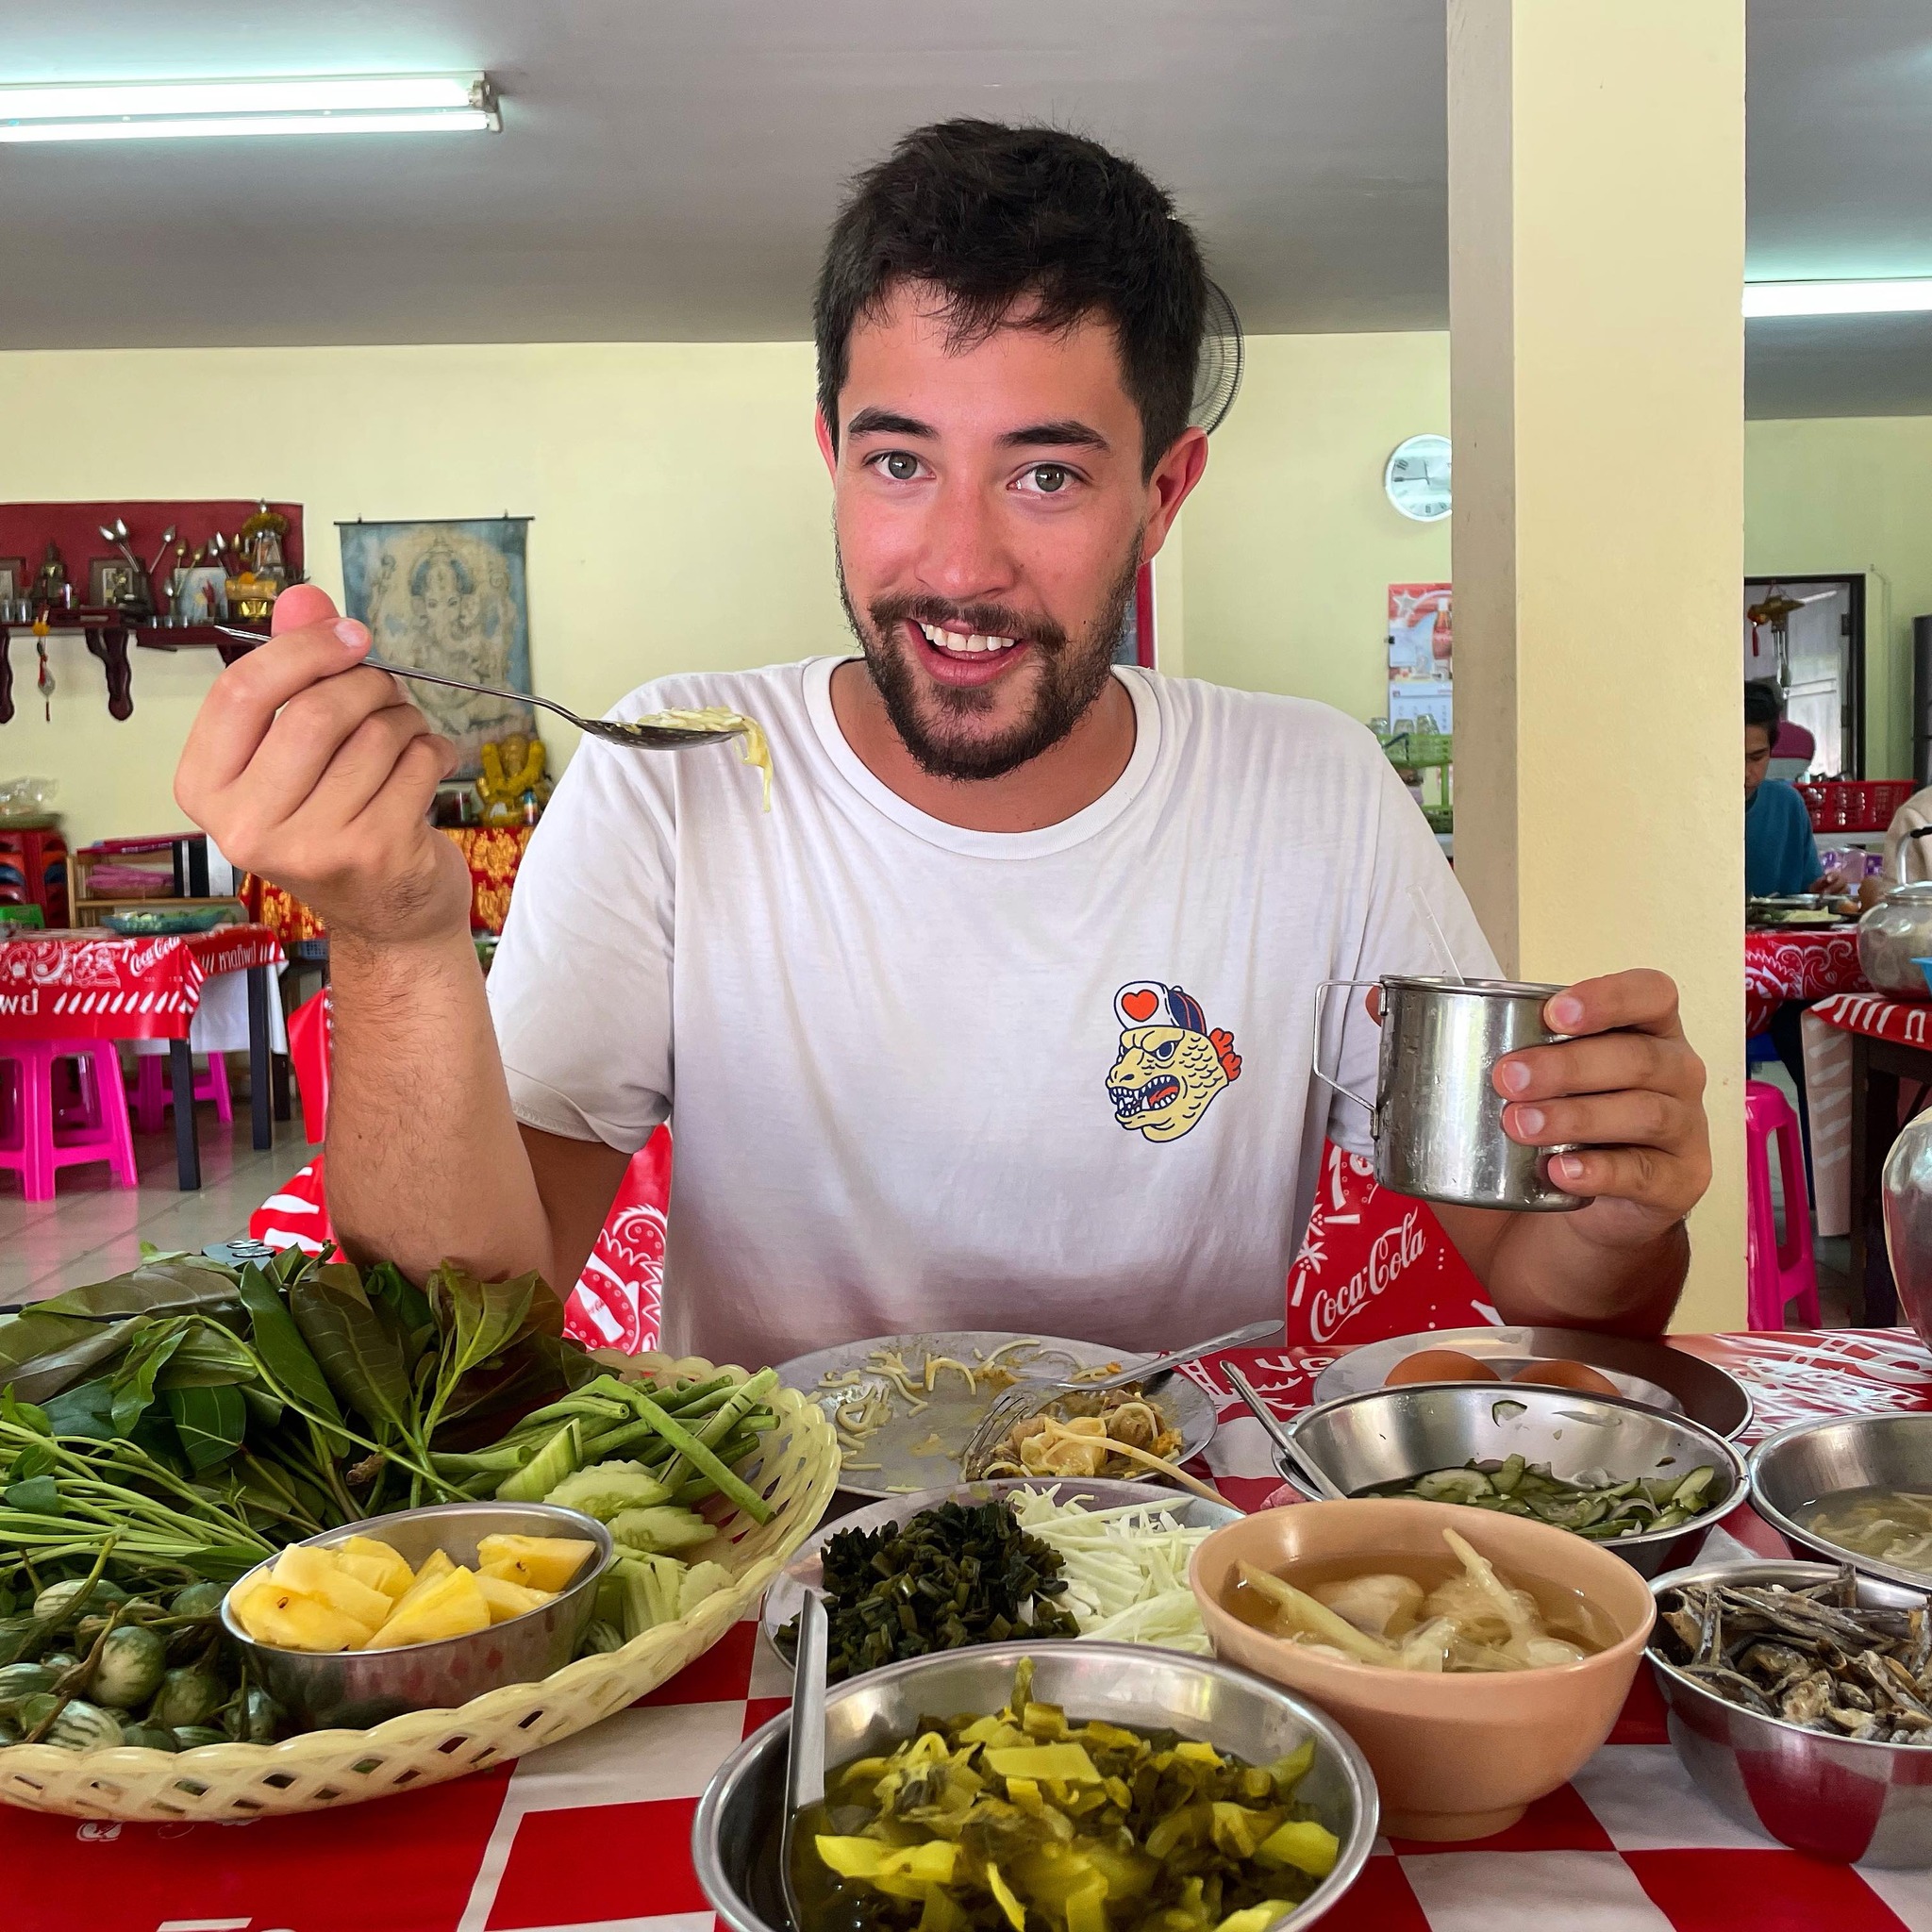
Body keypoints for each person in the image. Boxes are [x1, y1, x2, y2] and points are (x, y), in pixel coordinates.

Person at [175, 121, 1712, 1368]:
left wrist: (1618, 1203)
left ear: (1160, 495)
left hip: (1184, 1596)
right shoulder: (671, 772)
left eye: (1043, 476)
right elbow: (459, 1345)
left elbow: (1555, 1286)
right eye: (898, 458)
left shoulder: (1311, 790)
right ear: (831, 454)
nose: (957, 563)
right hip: (785, 1580)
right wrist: (388, 936)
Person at [1744, 680, 1831, 899]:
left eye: (1756, 757)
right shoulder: (1690, 811)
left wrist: (1822, 891)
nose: (1744, 773)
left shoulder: (1787, 805)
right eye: (1731, 758)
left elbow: (1809, 891)